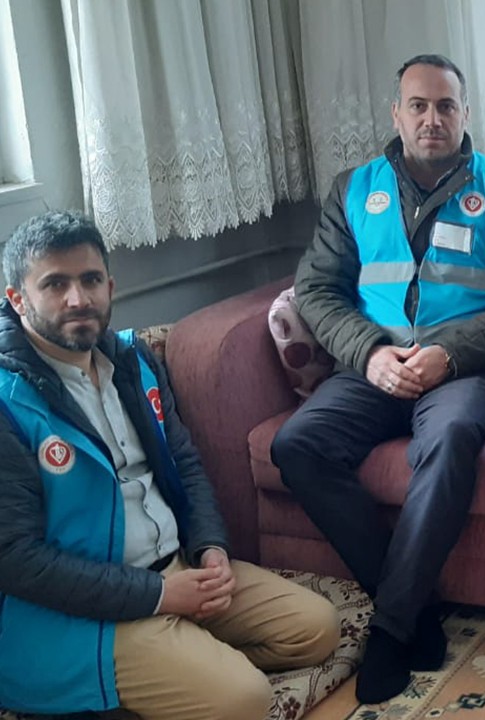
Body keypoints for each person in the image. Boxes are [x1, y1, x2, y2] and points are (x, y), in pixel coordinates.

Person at [269, 53, 485, 703]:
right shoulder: (353, 188)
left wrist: (448, 354)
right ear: (396, 114)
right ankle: (414, 605)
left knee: (448, 441)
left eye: (445, 106)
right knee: (297, 444)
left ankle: (391, 631)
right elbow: (317, 288)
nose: (432, 118)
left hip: (466, 369)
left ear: (465, 114)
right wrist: (369, 352)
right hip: (373, 364)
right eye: (418, 106)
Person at [0, 211, 339, 720]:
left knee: (317, 629)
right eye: (55, 284)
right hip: (84, 615)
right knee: (244, 700)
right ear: (17, 299)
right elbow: (15, 559)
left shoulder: (132, 360)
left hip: (177, 567)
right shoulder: (7, 402)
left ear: (110, 286)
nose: (78, 299)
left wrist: (210, 548)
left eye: (90, 280)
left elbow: (185, 462)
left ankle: (182, 658)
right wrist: (157, 597)